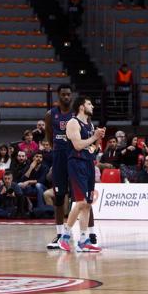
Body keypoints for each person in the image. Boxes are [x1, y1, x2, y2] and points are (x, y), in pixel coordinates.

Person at [58, 96, 104, 252]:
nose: (93, 106)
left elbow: (91, 149)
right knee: (80, 202)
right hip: (76, 164)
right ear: (82, 107)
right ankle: (64, 236)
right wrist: (94, 137)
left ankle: (83, 240)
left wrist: (97, 141)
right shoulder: (72, 123)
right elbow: (77, 146)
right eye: (90, 103)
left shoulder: (90, 124)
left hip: (88, 163)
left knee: (88, 204)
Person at [45, 85, 76, 248]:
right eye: (63, 94)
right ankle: (59, 234)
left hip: (74, 158)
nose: (66, 97)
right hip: (58, 159)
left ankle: (75, 231)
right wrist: (58, 148)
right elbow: (50, 137)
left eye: (68, 94)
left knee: (77, 197)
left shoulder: (77, 114)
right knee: (59, 197)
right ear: (58, 96)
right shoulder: (51, 115)